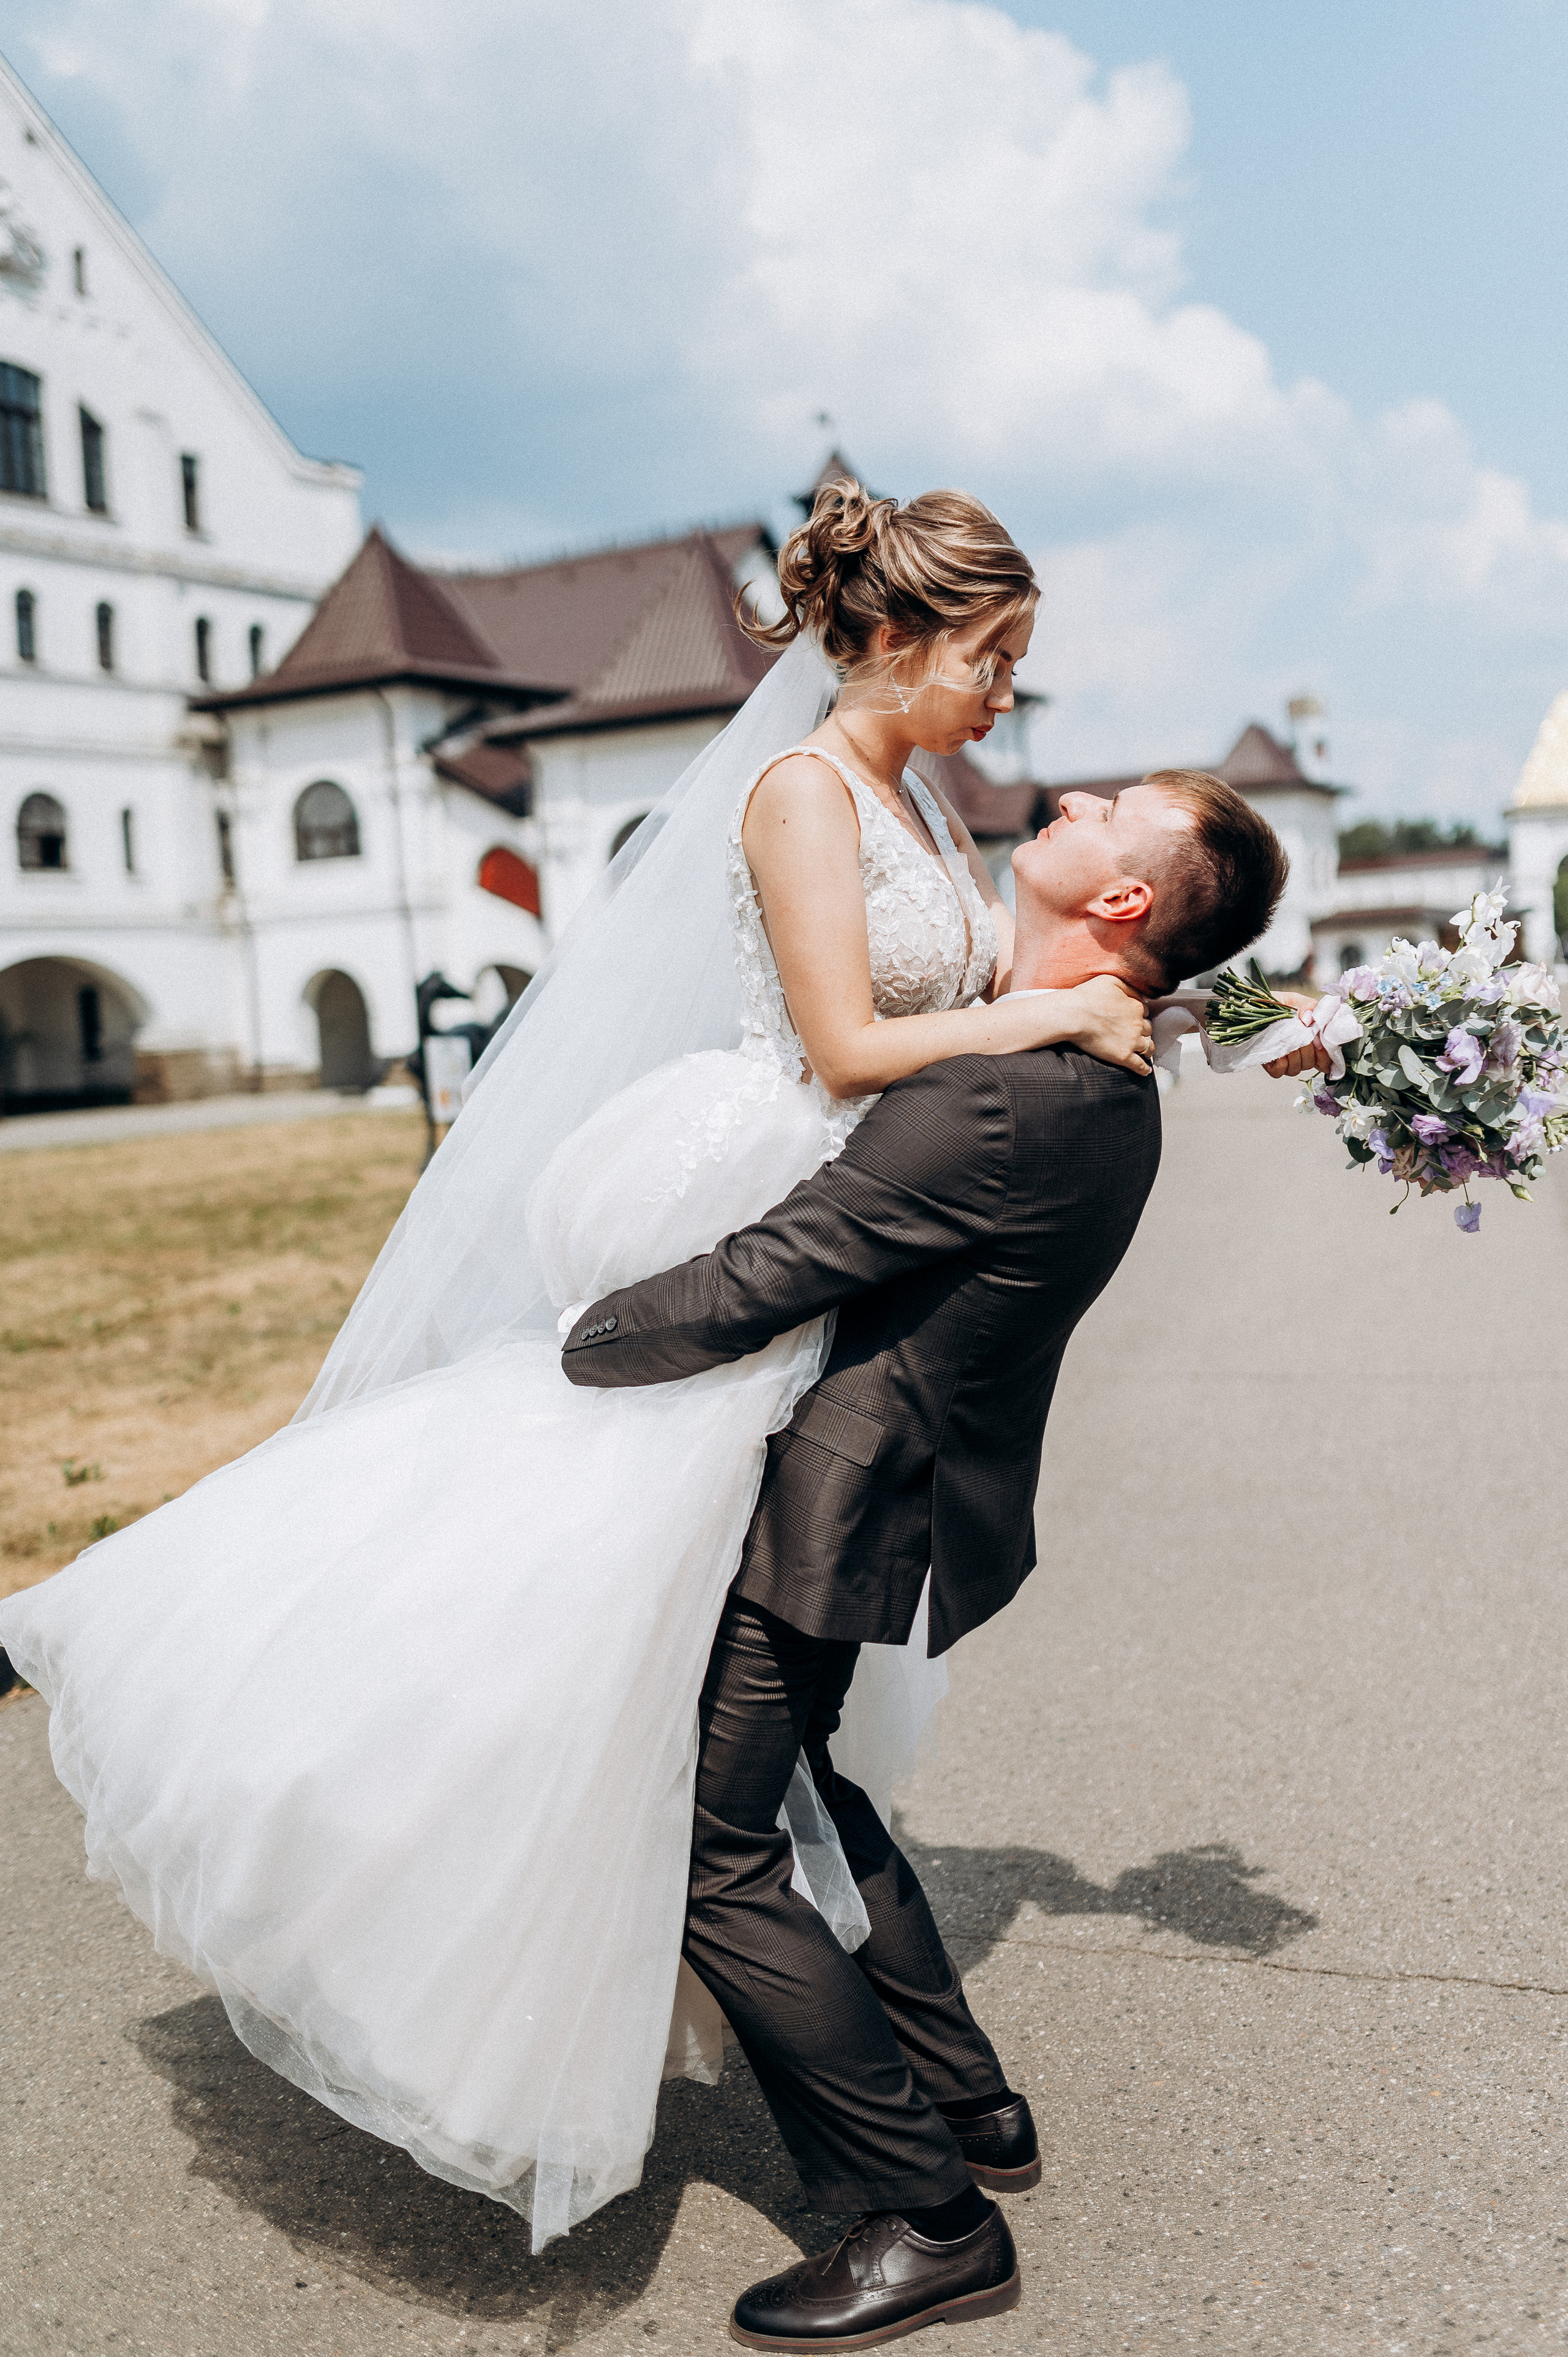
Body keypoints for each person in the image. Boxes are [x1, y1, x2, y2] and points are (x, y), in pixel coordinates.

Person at [0, 485, 1159, 2257]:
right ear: (897, 640)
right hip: (777, 1193)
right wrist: (1052, 1015)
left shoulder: (924, 794)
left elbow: (1020, 964)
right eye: (994, 655)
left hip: (849, 1226)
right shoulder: (801, 792)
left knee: (746, 1725)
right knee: (629, 1641)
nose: (1010, 691)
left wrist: (1212, 1007)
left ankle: (937, 2110)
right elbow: (849, 1044)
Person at [560, 761, 1289, 2348]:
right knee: (801, 1784)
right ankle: (971, 2107)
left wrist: (563, 1347)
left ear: (1124, 901)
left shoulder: (993, 1095)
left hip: (832, 1505)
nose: (1071, 791)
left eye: (1113, 807)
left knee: (711, 1845)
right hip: (901, 1493)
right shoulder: (1100, 1067)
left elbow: (755, 1281)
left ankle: (927, 2218)